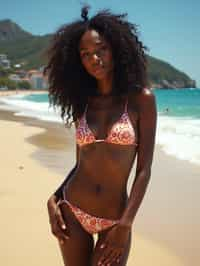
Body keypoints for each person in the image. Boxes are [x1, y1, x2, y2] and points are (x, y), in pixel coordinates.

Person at [44, 5, 157, 266]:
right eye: (86, 54)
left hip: (115, 219)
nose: (95, 58)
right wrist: (54, 198)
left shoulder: (141, 100)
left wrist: (125, 225)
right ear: (78, 61)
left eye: (101, 49)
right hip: (72, 209)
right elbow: (81, 164)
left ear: (116, 49)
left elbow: (144, 170)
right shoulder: (82, 103)